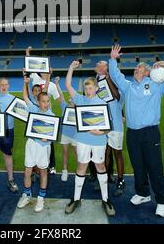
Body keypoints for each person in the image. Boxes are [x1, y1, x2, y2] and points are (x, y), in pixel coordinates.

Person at [109, 44, 164, 218]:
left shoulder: (156, 85)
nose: (136, 68)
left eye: (140, 67)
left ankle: (161, 201)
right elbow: (115, 75)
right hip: (132, 134)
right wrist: (112, 59)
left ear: (148, 72)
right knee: (138, 166)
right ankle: (142, 193)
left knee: (154, 166)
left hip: (150, 133)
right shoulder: (128, 86)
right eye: (136, 67)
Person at [64, 61, 116, 216]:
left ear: (96, 88)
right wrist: (71, 67)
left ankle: (105, 199)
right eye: (86, 88)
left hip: (99, 141)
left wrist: (101, 132)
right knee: (81, 167)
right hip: (82, 140)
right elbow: (67, 85)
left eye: (90, 88)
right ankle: (76, 198)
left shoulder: (102, 103)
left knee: (100, 167)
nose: (88, 91)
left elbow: (109, 126)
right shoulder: (80, 100)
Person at [17, 87, 55, 213]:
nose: (46, 104)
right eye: (44, 101)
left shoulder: (52, 116)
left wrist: (47, 139)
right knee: (27, 171)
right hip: (31, 144)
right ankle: (27, 195)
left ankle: (40, 198)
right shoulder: (33, 109)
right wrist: (25, 82)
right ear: (38, 102)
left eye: (48, 101)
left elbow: (52, 136)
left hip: (43, 147)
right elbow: (25, 97)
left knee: (43, 172)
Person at [26, 46, 60, 174]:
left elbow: (58, 99)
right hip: (35, 113)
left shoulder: (50, 85)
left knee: (48, 144)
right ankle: (36, 168)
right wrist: (28, 53)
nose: (43, 72)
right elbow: (29, 65)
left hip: (47, 116)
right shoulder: (35, 77)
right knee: (35, 141)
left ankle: (51, 166)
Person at [94, 60, 125, 196]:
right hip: (103, 122)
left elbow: (117, 96)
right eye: (98, 65)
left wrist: (107, 78)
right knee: (104, 152)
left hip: (116, 123)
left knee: (117, 153)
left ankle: (120, 180)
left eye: (100, 64)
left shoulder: (115, 79)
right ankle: (104, 178)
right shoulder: (96, 80)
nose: (97, 66)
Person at [54, 76, 77, 182]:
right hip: (65, 134)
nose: (70, 98)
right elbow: (61, 95)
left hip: (76, 135)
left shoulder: (79, 109)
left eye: (72, 98)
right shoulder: (64, 106)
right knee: (65, 153)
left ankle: (79, 172)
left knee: (78, 154)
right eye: (70, 98)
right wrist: (57, 84)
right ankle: (65, 171)